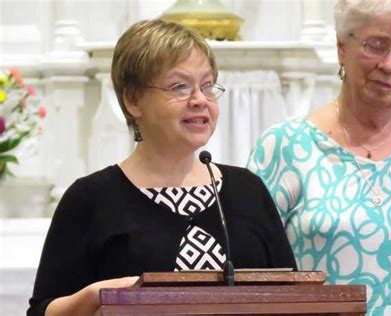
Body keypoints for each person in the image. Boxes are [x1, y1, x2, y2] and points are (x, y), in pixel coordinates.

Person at [28, 19, 296, 316]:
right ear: (133, 100)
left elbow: (295, 298)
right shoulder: (91, 199)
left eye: (207, 85)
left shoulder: (248, 190)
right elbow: (43, 311)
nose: (200, 100)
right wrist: (96, 296)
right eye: (179, 87)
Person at [247, 0, 391, 314]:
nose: (390, 65)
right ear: (342, 48)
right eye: (376, 45)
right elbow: (253, 278)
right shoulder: (284, 146)